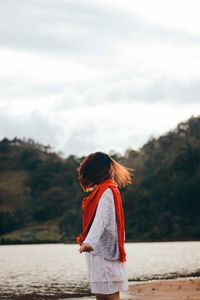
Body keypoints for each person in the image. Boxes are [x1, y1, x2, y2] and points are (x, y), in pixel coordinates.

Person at [76, 152, 134, 300]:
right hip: (99, 253)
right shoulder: (103, 190)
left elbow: (101, 220)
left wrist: (89, 242)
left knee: (108, 296)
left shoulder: (107, 191)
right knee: (102, 296)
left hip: (105, 255)